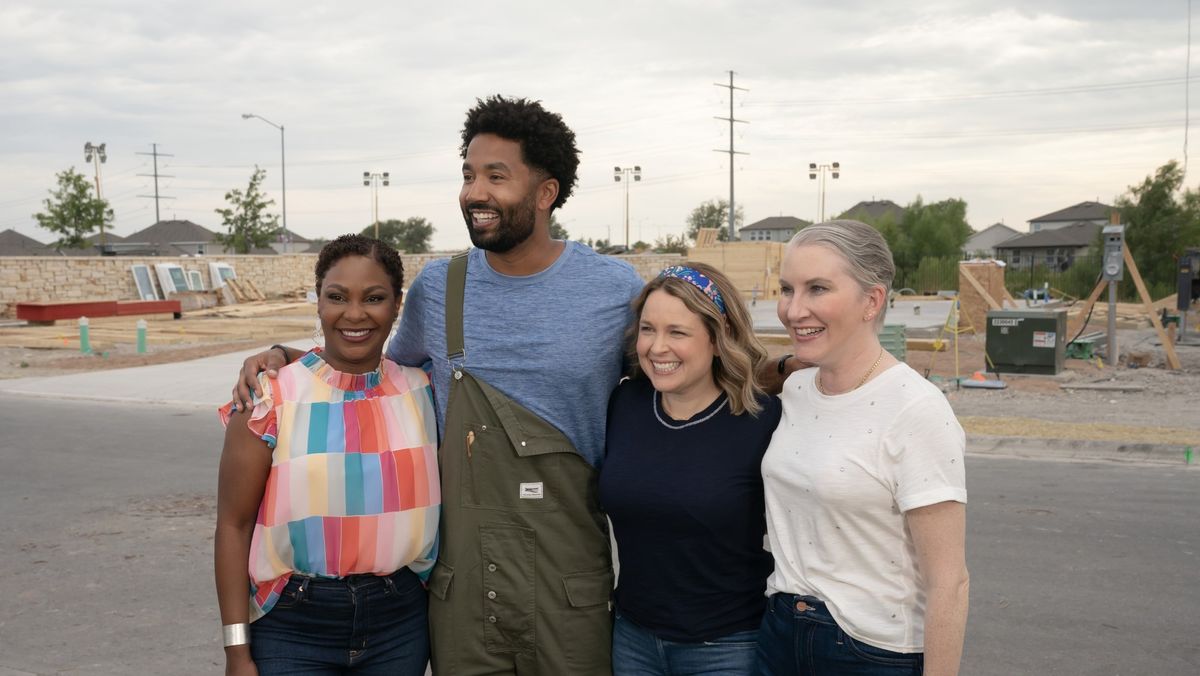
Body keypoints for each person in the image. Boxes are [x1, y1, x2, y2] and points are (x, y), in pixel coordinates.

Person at [233, 96, 645, 675]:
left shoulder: (614, 290)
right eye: (469, 175)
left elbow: (681, 373)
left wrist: (781, 373)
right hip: (464, 585)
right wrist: (287, 357)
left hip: (568, 581)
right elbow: (378, 378)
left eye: (496, 177)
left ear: (546, 192)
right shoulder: (439, 288)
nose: (474, 192)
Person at [214, 234, 439, 675]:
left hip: (401, 623)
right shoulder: (269, 398)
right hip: (295, 626)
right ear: (318, 302)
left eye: (374, 298)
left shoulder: (425, 391)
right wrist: (236, 652)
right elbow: (232, 526)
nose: (354, 314)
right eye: (337, 297)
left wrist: (282, 351)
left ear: (397, 305)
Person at [756, 220, 969, 675]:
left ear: (872, 300)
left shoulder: (915, 409)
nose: (794, 310)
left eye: (817, 289)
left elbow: (949, 582)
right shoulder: (794, 389)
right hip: (778, 637)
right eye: (787, 289)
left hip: (870, 652)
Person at [600, 263, 782, 675]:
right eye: (648, 329)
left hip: (728, 647)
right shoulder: (624, 406)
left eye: (677, 332)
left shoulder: (765, 422)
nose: (656, 347)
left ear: (720, 339)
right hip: (632, 639)